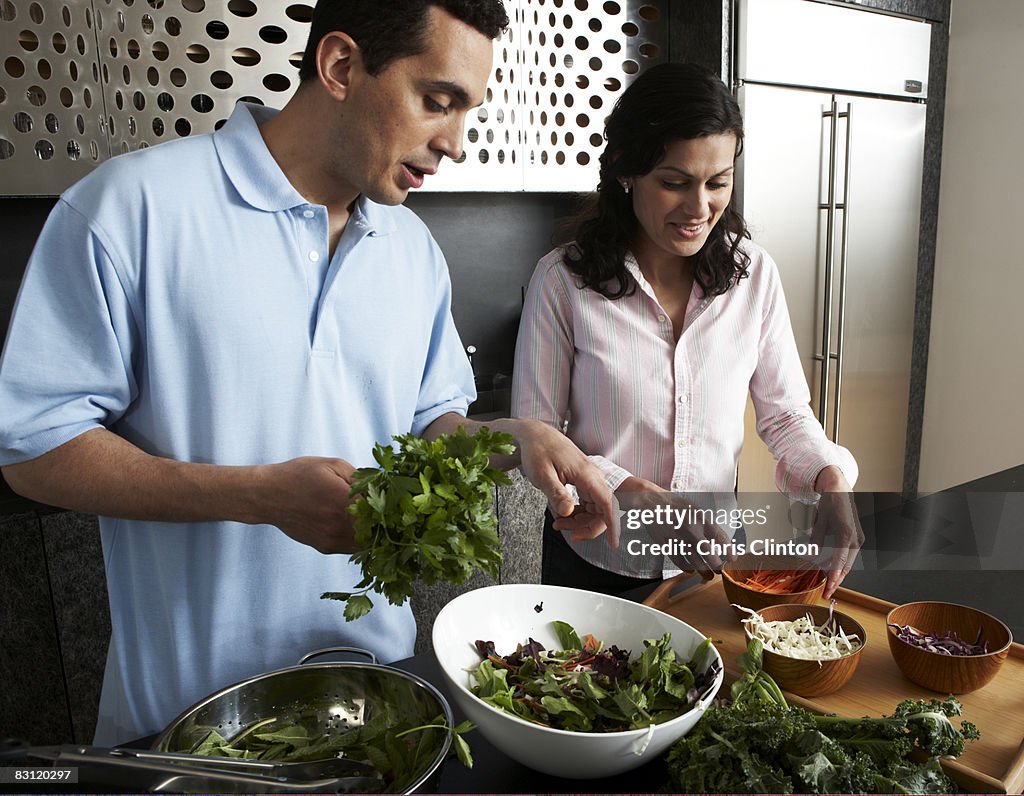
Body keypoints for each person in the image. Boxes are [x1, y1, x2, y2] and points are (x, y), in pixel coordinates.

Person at [0, 0, 615, 746]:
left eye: (467, 112)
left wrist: (514, 438)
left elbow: (429, 427)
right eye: (437, 101)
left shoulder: (411, 249)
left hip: (377, 701)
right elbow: (33, 450)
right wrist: (259, 496)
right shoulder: (130, 209)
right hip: (190, 725)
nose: (455, 143)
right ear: (341, 67)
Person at [512, 62, 861, 599]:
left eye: (717, 183)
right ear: (627, 172)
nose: (700, 208)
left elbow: (786, 414)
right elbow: (537, 434)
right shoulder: (562, 281)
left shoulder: (754, 274)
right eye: (675, 183)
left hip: (715, 558)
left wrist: (831, 479)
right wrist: (627, 490)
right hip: (599, 559)